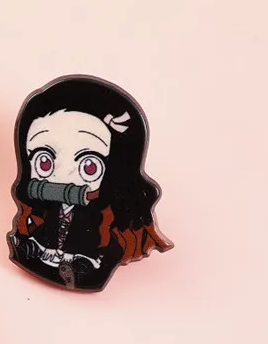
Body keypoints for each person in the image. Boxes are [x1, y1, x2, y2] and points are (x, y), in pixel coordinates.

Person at [9, 75, 172, 291]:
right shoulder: (41, 213)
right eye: (45, 162)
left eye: (89, 167)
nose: (64, 177)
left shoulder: (102, 220)